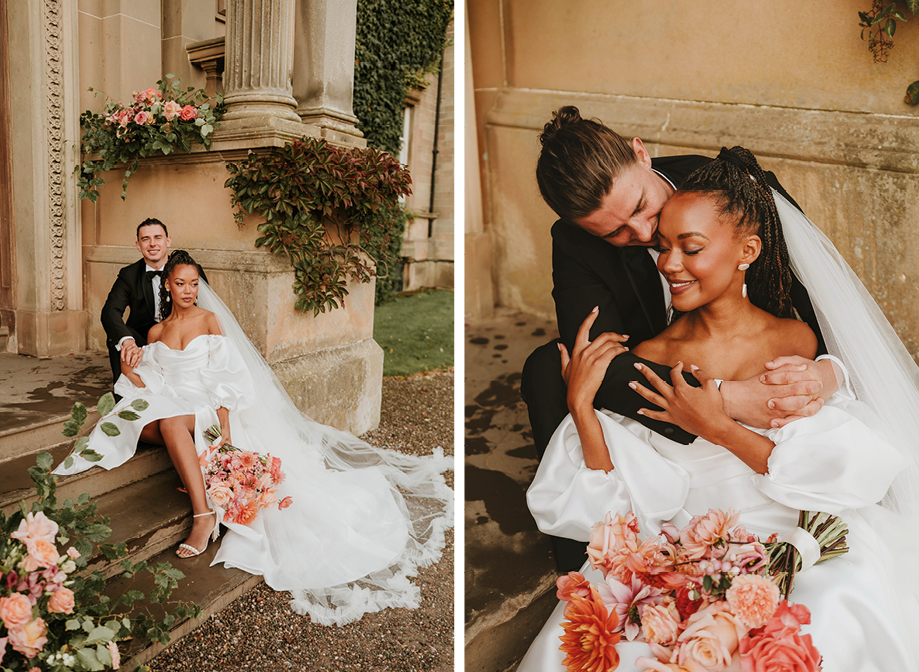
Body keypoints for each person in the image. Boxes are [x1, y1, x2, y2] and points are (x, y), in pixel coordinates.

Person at [518, 148, 919, 671]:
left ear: (748, 249)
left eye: (647, 212)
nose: (649, 243)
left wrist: (826, 371)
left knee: (831, 612)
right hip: (683, 537)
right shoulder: (650, 352)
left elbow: (839, 468)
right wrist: (584, 408)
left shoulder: (785, 327)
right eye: (654, 244)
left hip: (789, 523)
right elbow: (630, 493)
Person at [521, 107, 843, 571]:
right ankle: (585, 559)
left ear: (641, 153)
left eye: (639, 208)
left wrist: (823, 373)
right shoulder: (573, 242)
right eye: (615, 233)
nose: (644, 232)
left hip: (752, 344)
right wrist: (725, 398)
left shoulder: (731, 186)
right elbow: (595, 359)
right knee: (547, 369)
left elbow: (819, 297)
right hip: (664, 357)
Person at [56, 250, 453, 626]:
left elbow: (227, 378)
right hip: (173, 402)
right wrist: (130, 370)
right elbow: (153, 382)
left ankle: (203, 516)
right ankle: (197, 490)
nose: (189, 290)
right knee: (154, 421)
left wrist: (224, 434)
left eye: (194, 283)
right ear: (168, 288)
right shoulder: (156, 331)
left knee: (174, 424)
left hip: (207, 407)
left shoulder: (209, 321)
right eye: (181, 284)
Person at [101, 219, 209, 390]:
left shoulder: (190, 270)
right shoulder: (128, 275)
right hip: (143, 340)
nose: (152, 244)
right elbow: (110, 311)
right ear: (138, 245)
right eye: (146, 239)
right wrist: (127, 341)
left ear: (168, 241)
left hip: (179, 335)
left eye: (158, 237)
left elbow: (204, 308)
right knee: (118, 338)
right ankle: (123, 398)